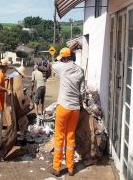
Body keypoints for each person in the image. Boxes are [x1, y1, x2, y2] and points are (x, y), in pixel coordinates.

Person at [51, 47, 85, 177]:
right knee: (70, 137)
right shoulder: (80, 71)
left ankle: (57, 167)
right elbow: (82, 92)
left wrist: (63, 58)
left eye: (62, 58)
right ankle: (70, 168)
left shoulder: (62, 67)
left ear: (64, 58)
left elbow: (53, 65)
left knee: (59, 137)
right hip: (75, 108)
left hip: (63, 107)